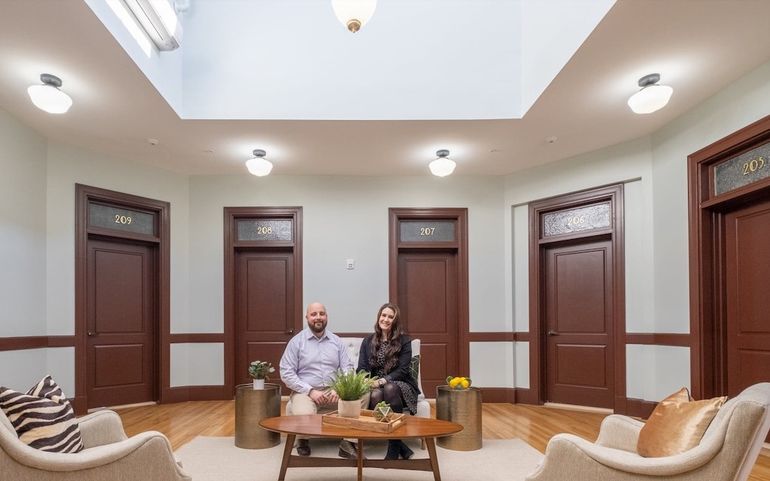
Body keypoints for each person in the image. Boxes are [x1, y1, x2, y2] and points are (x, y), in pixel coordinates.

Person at [280, 302, 362, 458]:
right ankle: (303, 439)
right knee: (304, 413)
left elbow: (348, 368)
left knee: (363, 395)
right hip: (305, 392)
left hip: (334, 391)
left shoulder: (337, 341)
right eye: (313, 314)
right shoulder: (297, 342)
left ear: (326, 316)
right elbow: (286, 372)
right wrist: (310, 391)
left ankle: (347, 443)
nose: (318, 317)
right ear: (307, 318)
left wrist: (339, 388)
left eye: (321, 314)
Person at [357, 302, 420, 460]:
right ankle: (398, 443)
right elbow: (362, 369)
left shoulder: (404, 341)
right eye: (383, 315)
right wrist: (367, 381)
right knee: (376, 395)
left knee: (389, 388)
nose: (386, 319)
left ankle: (393, 447)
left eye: (390, 317)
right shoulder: (368, 341)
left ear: (395, 321)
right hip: (376, 385)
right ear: (379, 317)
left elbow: (403, 370)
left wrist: (382, 381)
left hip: (400, 384)